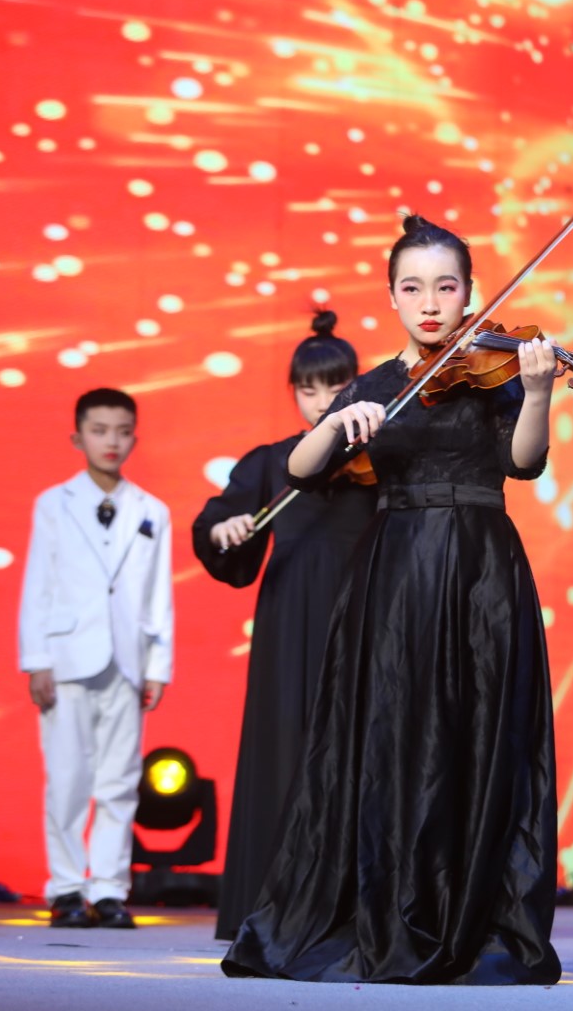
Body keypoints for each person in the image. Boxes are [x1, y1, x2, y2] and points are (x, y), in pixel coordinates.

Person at [222, 214, 564, 984]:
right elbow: (303, 469)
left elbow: (524, 463)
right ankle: (389, 900)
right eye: (413, 288)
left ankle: (467, 909)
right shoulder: (376, 386)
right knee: (391, 735)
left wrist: (540, 391)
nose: (431, 303)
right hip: (396, 569)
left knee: (477, 732)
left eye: (446, 286)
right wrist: (337, 422)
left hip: (481, 568)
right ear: (392, 297)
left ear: (470, 291)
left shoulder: (497, 371)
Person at [193, 311, 375, 941]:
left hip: (367, 614)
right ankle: (272, 904)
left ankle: (354, 907)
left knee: (361, 751)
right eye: (308, 389)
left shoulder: (381, 459)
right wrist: (224, 528)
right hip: (290, 621)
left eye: (336, 388)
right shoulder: (272, 463)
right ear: (294, 392)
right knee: (284, 750)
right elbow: (219, 524)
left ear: (357, 387)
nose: (321, 402)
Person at [18, 388, 174, 930]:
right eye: (100, 430)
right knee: (67, 778)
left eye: (123, 431)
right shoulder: (53, 504)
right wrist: (37, 659)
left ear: (135, 437)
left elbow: (159, 594)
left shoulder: (152, 510)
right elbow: (38, 584)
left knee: (119, 781)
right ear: (77, 437)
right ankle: (66, 888)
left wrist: (158, 665)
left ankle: (108, 889)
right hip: (67, 657)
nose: (112, 441)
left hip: (127, 661)